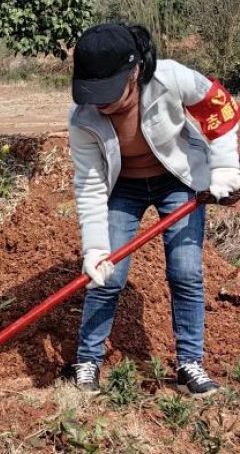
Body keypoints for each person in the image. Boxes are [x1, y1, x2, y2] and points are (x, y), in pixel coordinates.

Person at [68, 22, 240, 397]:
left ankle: (189, 363)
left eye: (108, 93)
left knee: (185, 270)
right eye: (93, 94)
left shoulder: (170, 78)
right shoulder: (83, 119)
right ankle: (87, 363)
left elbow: (219, 108)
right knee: (107, 276)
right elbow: (91, 184)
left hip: (177, 181)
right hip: (122, 188)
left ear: (135, 71)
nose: (101, 104)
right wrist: (95, 247)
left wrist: (225, 166)